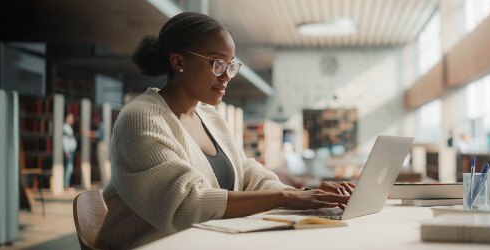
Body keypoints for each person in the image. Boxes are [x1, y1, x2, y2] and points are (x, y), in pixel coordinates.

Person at [95, 12, 354, 249]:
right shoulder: (141, 118)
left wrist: (306, 196)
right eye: (217, 63)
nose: (227, 75)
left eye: (231, 65)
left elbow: (248, 174)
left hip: (207, 241)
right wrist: (285, 196)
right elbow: (186, 204)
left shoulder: (209, 115)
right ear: (178, 61)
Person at [62, 112, 77, 191]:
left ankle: (66, 184)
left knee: (69, 168)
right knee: (68, 168)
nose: (72, 119)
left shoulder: (68, 127)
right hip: (68, 151)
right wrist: (66, 151)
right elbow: (64, 140)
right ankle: (66, 185)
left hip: (70, 151)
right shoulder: (64, 127)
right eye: (71, 118)